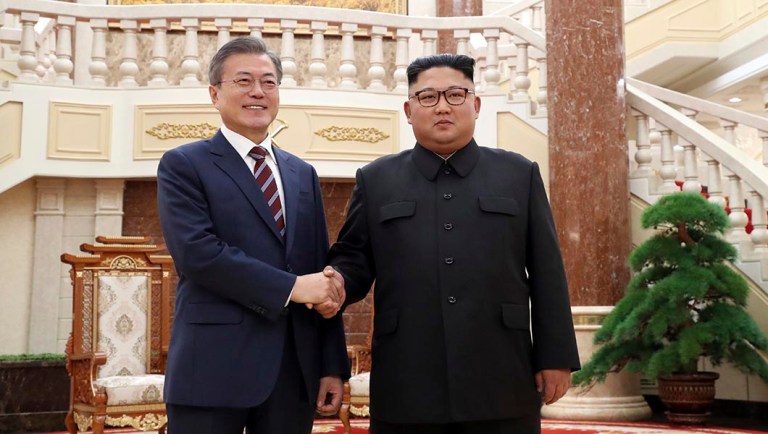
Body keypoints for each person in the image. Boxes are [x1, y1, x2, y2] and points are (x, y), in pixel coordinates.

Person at [327, 53, 580, 434]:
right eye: (428, 97)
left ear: (476, 105)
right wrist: (334, 283)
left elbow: (547, 270)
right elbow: (354, 261)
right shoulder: (377, 179)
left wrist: (555, 356)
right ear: (409, 110)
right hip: (407, 376)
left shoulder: (518, 174)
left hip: (501, 373)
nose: (442, 106)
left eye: (456, 95)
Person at [157, 36, 349, 434]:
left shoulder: (302, 174)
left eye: (269, 82)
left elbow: (319, 271)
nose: (258, 92)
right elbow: (198, 254)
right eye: (243, 81)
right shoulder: (183, 165)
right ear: (214, 93)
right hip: (211, 370)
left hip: (293, 371)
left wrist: (332, 364)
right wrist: (293, 287)